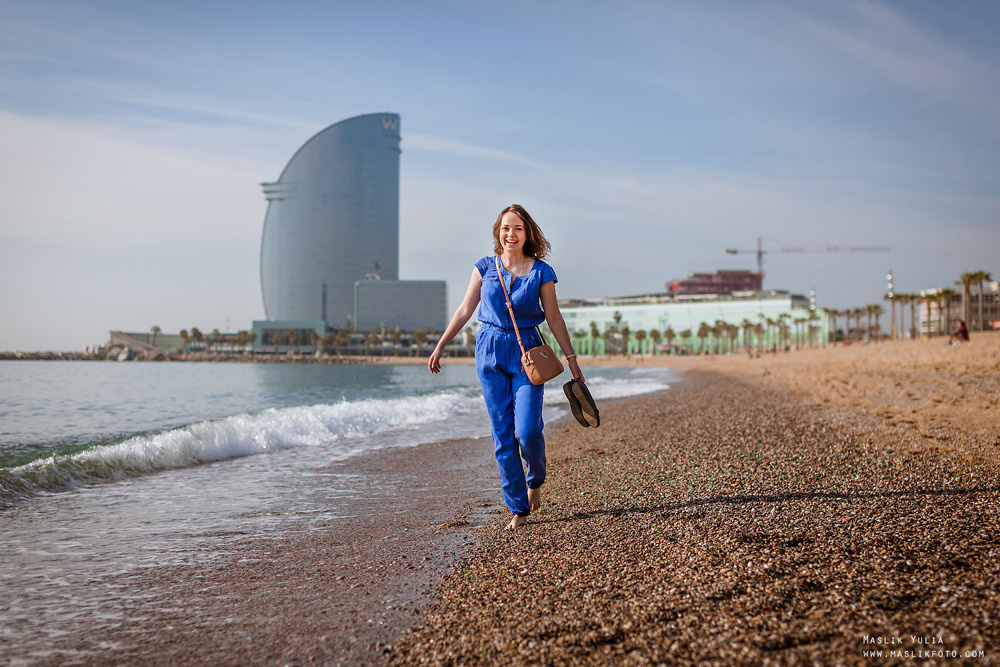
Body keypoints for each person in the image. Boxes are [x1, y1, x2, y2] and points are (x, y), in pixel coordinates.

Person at [428, 204, 585, 530]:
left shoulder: (541, 272)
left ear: (527, 234)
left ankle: (535, 478)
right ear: (498, 233)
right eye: (505, 228)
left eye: (517, 228)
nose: (510, 234)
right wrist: (441, 344)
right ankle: (518, 509)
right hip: (489, 351)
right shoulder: (485, 267)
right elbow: (465, 309)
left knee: (526, 431)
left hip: (528, 353)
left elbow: (554, 317)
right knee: (502, 434)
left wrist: (571, 359)